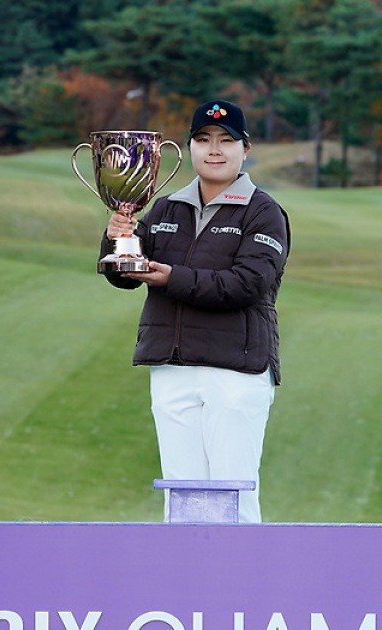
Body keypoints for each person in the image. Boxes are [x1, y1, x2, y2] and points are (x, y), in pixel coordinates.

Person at [99, 99, 290, 523]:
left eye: (226, 140)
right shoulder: (166, 208)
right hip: (172, 367)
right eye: (203, 140)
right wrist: (117, 237)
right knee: (181, 497)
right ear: (189, 147)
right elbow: (123, 273)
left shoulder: (264, 212)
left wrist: (173, 278)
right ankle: (184, 587)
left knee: (232, 496)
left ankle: (243, 587)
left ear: (246, 148)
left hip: (235, 371)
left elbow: (247, 284)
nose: (214, 150)